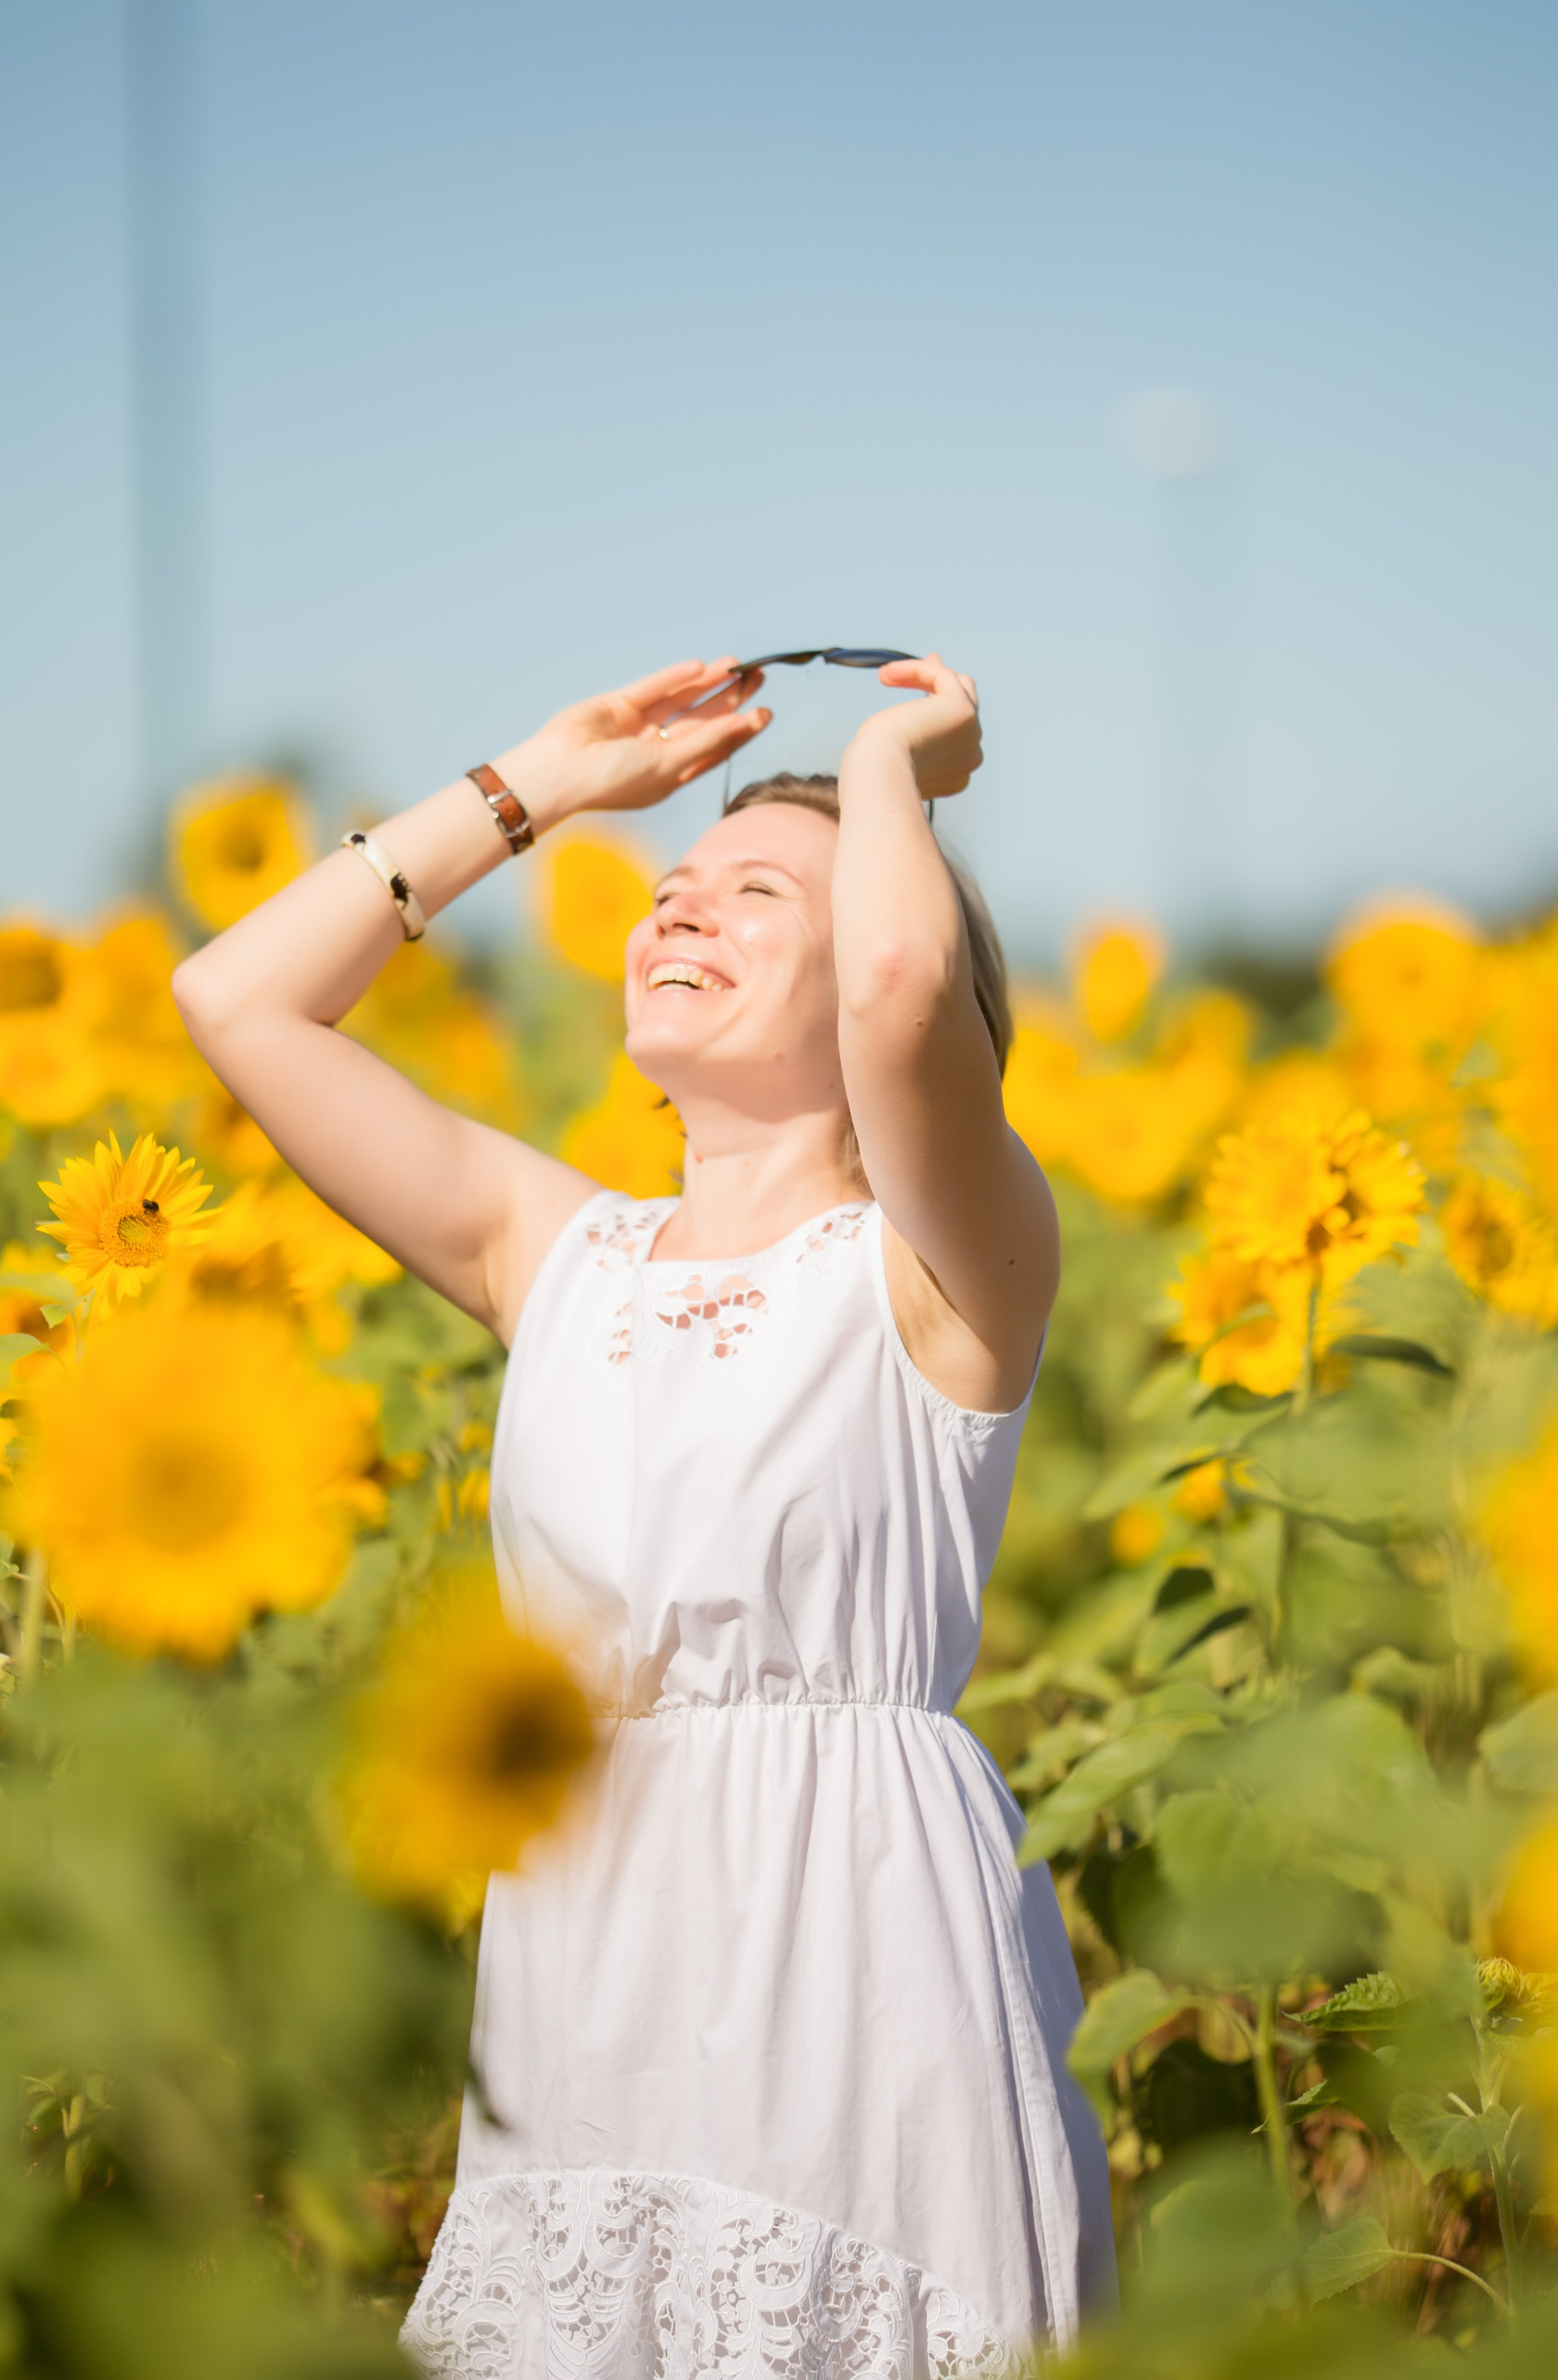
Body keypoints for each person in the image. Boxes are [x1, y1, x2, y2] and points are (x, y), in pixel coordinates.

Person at [172, 654, 1116, 2378]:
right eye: (673, 888)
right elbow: (239, 999)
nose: (681, 907)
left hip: (853, 1959)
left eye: (760, 895)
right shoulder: (558, 1253)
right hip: (589, 1967)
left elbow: (907, 978)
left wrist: (893, 761)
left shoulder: (945, 1268)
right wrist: (537, 782)